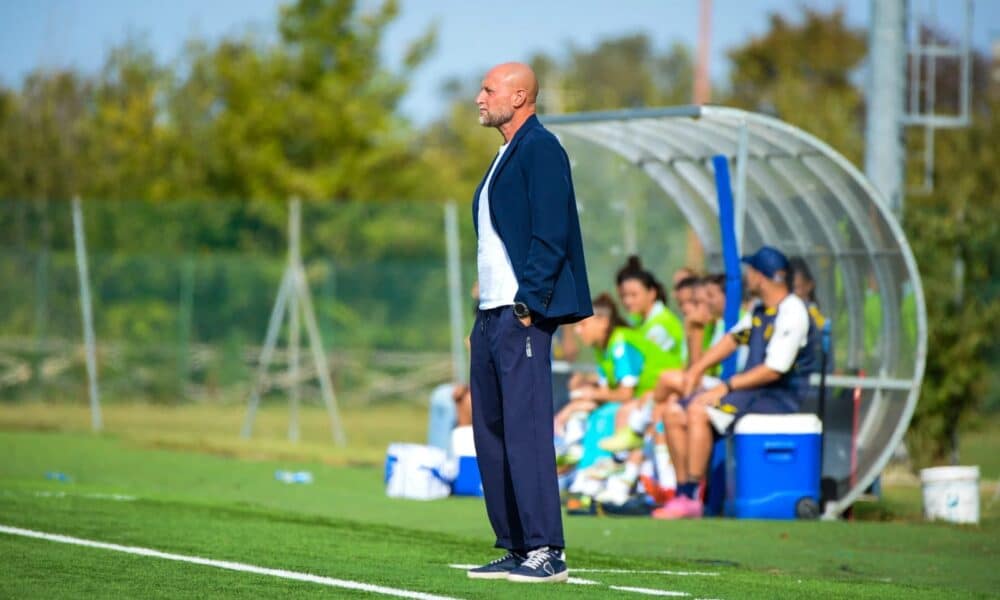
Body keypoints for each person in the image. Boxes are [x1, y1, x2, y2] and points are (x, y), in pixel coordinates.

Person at [466, 62, 591, 584]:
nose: (479, 97)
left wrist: (527, 305)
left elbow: (552, 232)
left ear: (519, 97)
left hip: (521, 317)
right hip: (490, 317)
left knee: (527, 432)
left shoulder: (540, 148)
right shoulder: (503, 155)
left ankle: (546, 549)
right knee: (491, 433)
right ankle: (517, 546)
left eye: (489, 90)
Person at [654, 246, 819, 520]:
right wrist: (698, 369)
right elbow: (733, 338)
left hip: (776, 396)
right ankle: (682, 493)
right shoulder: (760, 309)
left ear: (761, 276)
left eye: (751, 271)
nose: (747, 277)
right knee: (673, 411)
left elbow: (773, 371)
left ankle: (694, 496)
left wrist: (726, 386)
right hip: (750, 392)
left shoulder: (792, 311)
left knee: (697, 410)